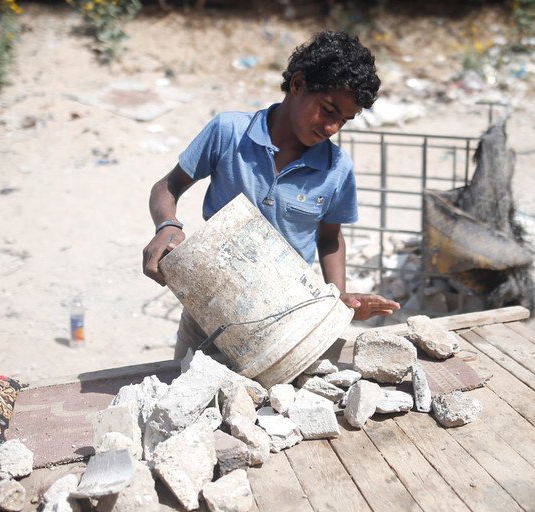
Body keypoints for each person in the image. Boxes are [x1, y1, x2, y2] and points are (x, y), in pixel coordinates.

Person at [142, 30, 400, 359]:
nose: (333, 128)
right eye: (328, 110)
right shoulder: (228, 133)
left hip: (289, 321)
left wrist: (339, 296)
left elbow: (330, 238)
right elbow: (168, 186)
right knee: (188, 393)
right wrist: (167, 224)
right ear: (297, 84)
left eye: (344, 120)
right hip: (209, 309)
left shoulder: (337, 169)